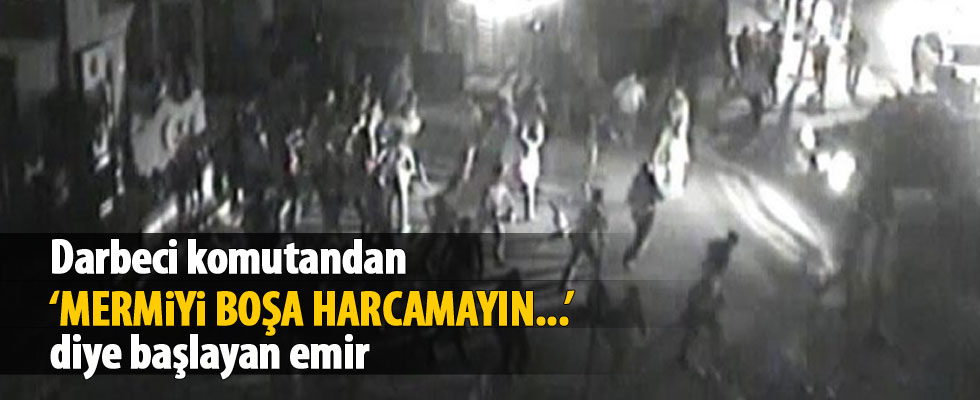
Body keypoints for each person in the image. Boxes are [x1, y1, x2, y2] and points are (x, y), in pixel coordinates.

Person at [677, 231, 739, 375]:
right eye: (733, 244)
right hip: (704, 303)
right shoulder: (724, 254)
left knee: (695, 330)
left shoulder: (719, 246)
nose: (732, 246)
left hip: (706, 291)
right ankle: (688, 357)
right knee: (698, 331)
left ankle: (686, 355)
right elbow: (713, 283)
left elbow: (710, 245)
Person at [560, 188, 608, 291]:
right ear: (600, 198)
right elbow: (600, 227)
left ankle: (565, 282)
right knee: (594, 260)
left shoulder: (586, 205)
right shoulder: (598, 211)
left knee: (574, 259)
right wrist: (602, 240)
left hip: (576, 233)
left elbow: (578, 218)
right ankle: (596, 281)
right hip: (586, 236)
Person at [623, 162, 660, 269]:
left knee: (639, 236)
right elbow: (658, 196)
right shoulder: (652, 182)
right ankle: (629, 257)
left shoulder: (636, 181)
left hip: (637, 213)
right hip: (647, 213)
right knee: (642, 238)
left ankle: (630, 257)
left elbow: (629, 197)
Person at [482, 164, 516, 266]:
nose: (500, 178)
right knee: (499, 236)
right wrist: (488, 209)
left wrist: (511, 208)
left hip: (497, 213)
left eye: (502, 176)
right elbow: (485, 201)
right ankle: (498, 258)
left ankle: (498, 257)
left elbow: (509, 198)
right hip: (492, 213)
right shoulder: (490, 187)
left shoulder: (501, 187)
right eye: (499, 175)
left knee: (500, 236)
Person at [516, 118, 545, 221]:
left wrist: (525, 126)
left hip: (530, 169)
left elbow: (523, 137)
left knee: (529, 191)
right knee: (530, 191)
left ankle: (529, 213)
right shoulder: (532, 145)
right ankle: (529, 213)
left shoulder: (531, 144)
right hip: (530, 169)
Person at [611, 72, 647, 145]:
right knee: (626, 125)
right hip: (628, 109)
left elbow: (615, 95)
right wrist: (644, 105)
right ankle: (625, 140)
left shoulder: (625, 85)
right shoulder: (636, 86)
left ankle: (625, 140)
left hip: (627, 108)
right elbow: (642, 98)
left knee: (626, 125)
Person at [845, 28, 869, 97]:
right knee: (855, 71)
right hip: (858, 56)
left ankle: (850, 84)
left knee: (851, 70)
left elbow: (865, 47)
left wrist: (849, 52)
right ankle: (852, 84)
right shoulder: (863, 36)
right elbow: (866, 47)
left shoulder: (853, 35)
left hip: (854, 55)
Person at [811, 36, 831, 109]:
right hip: (822, 62)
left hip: (817, 61)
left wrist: (816, 57)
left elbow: (813, 52)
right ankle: (821, 84)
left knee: (817, 73)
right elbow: (827, 54)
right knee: (822, 73)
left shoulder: (815, 46)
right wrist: (824, 58)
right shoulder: (826, 47)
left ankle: (819, 83)